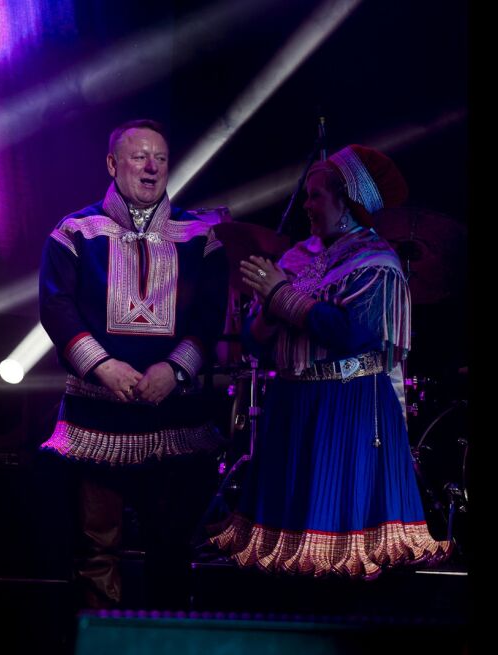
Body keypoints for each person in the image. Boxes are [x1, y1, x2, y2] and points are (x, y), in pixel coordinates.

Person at [207, 144, 452, 578]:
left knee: (337, 539)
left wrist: (280, 296)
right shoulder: (299, 259)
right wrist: (266, 308)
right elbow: (254, 338)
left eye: (316, 196)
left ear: (347, 202)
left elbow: (352, 335)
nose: (307, 205)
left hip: (346, 405)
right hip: (291, 404)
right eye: (307, 195)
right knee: (286, 549)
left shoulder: (375, 263)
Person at [38, 119, 229, 609]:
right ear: (112, 164)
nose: (151, 167)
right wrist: (102, 366)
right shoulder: (74, 231)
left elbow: (210, 317)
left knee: (171, 547)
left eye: (160, 159)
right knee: (95, 549)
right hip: (95, 418)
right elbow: (56, 308)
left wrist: (175, 369)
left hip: (173, 419)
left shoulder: (200, 236)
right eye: (139, 156)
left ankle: (166, 644)